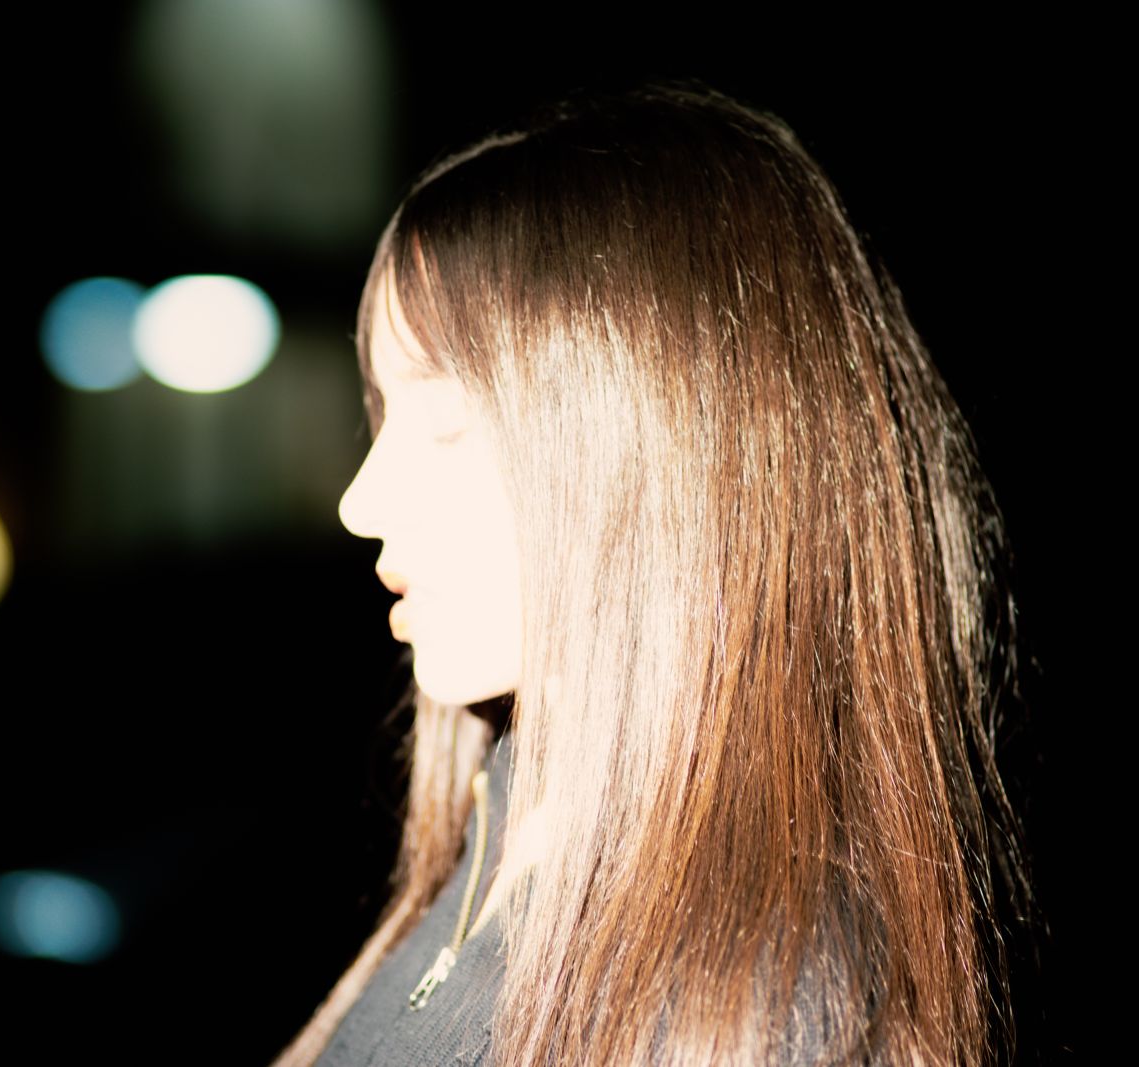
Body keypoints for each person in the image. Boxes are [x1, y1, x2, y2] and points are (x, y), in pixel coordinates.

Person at [273, 77, 1039, 1066]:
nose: (359, 501)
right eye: (384, 415)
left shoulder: (756, 1014)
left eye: (448, 420)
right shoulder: (501, 836)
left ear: (667, 451)